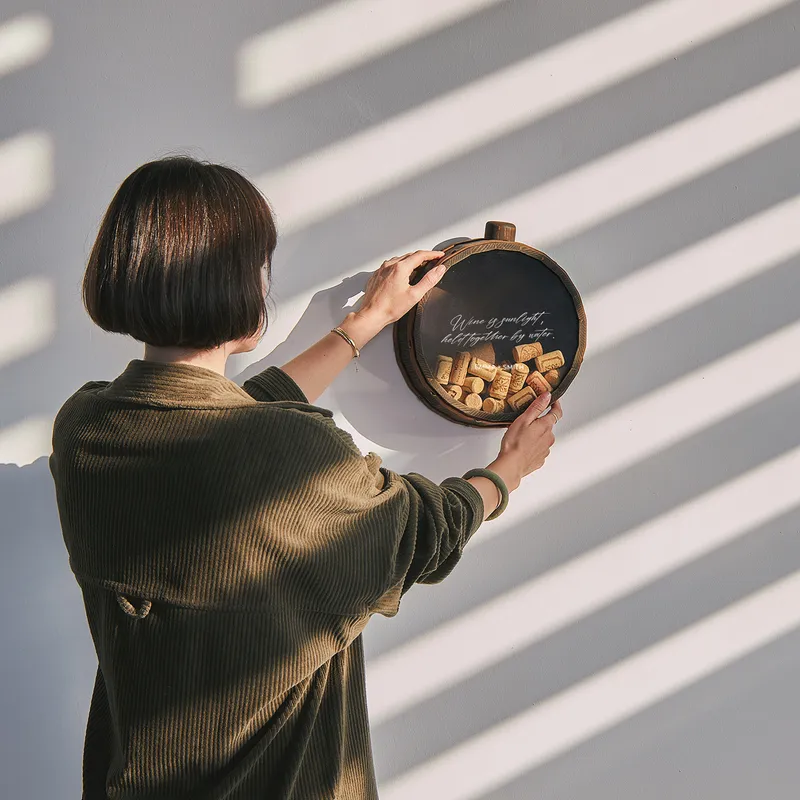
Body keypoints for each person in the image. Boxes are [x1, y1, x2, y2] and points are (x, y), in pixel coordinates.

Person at [49, 156, 562, 800]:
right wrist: (506, 471)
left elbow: (225, 426)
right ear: (240, 283)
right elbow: (420, 532)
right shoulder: (294, 454)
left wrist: (363, 325)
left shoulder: (86, 430)